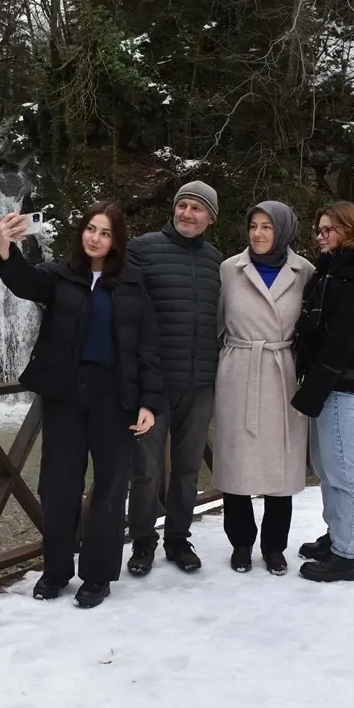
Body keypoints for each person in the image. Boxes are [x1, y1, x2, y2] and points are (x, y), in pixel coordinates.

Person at [0, 202, 164, 608]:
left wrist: (150, 403)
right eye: (90, 229)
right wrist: (3, 245)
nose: (95, 238)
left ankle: (98, 575)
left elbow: (148, 349)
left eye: (105, 233)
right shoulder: (60, 274)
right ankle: (55, 571)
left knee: (109, 486)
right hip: (66, 392)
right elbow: (21, 281)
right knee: (59, 485)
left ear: (116, 241)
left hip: (115, 396)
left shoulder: (134, 285)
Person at [125, 181, 223, 575]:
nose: (186, 213)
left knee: (186, 469)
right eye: (182, 205)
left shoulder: (219, 262)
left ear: (210, 219)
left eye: (197, 208)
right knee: (146, 469)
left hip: (200, 382)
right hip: (153, 384)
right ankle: (143, 541)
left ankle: (179, 539)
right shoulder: (143, 249)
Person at [213, 201, 314, 575]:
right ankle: (241, 543)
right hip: (238, 369)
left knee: (280, 467)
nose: (258, 234)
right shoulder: (229, 269)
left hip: (282, 372)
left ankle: (274, 546)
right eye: (253, 225)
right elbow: (213, 323)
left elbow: (313, 327)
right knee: (236, 461)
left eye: (267, 227)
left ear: (283, 231)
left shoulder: (304, 271)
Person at [291, 201, 354, 583]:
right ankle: (336, 537)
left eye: (328, 229)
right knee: (329, 470)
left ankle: (346, 555)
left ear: (349, 231)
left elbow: (341, 343)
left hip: (344, 389)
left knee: (345, 474)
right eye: (318, 229)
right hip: (331, 386)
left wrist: (308, 394)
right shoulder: (333, 272)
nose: (320, 236)